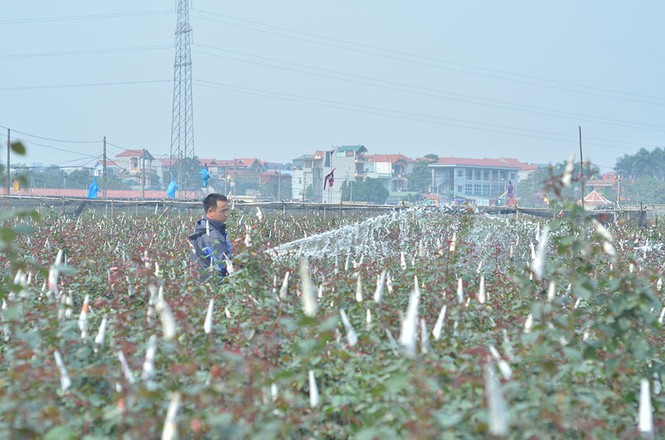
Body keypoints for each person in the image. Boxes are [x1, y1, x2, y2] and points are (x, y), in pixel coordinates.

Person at [189, 193, 233, 283]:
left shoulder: (202, 229)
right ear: (210, 212)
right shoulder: (211, 236)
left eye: (227, 210)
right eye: (223, 211)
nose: (226, 214)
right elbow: (225, 263)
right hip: (212, 287)